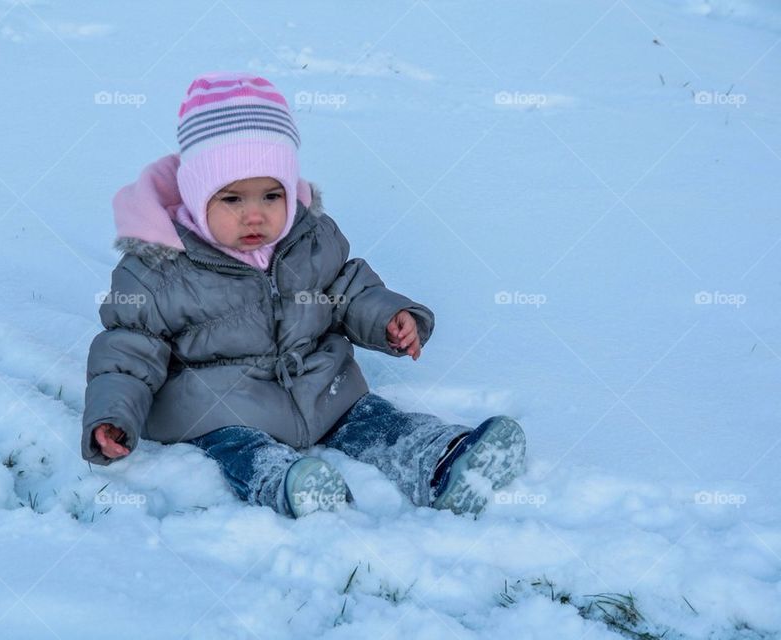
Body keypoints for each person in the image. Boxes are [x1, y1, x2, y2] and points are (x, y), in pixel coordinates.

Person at [82, 71, 526, 518]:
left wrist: (390, 318)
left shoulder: (309, 237)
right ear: (198, 197)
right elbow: (127, 354)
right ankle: (292, 490)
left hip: (319, 388)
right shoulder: (158, 269)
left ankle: (441, 461)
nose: (254, 215)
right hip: (221, 408)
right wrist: (114, 416)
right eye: (232, 199)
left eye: (271, 195)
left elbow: (346, 288)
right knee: (244, 452)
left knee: (373, 419)